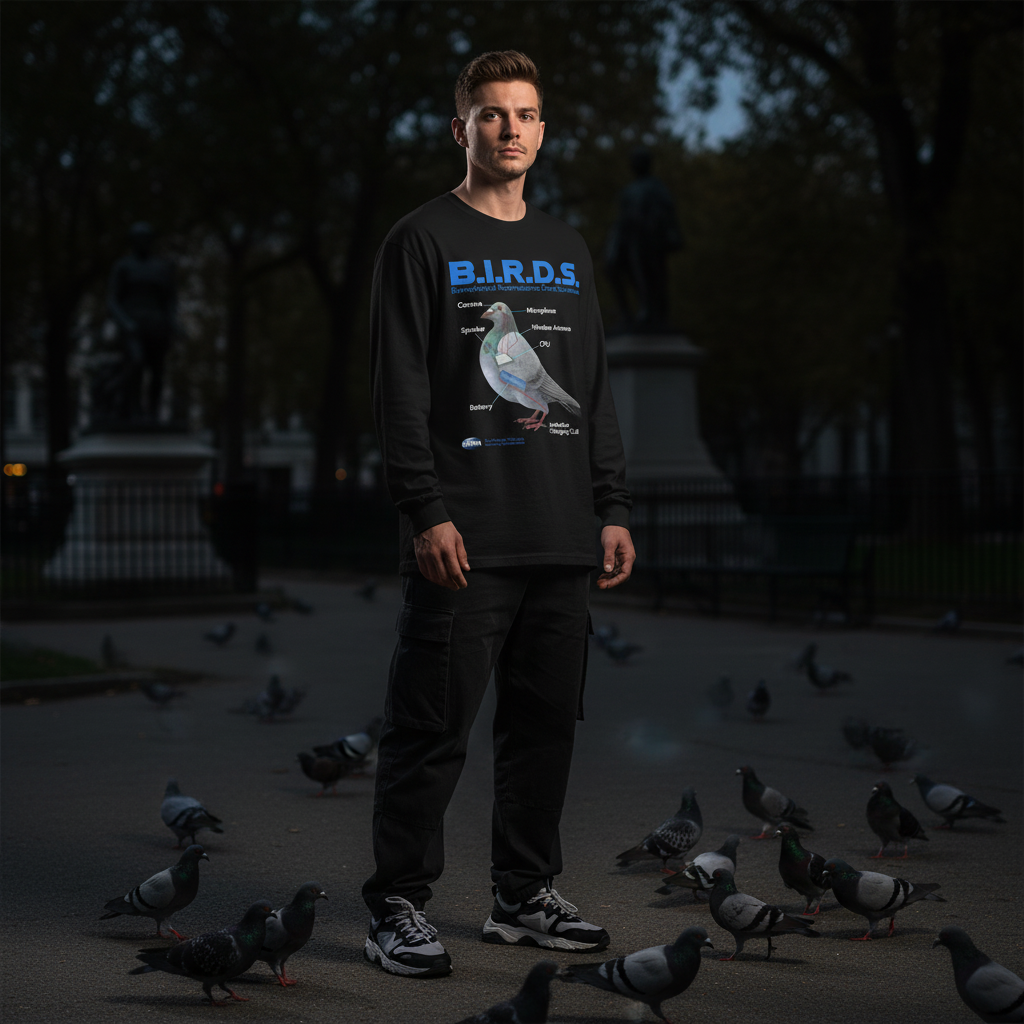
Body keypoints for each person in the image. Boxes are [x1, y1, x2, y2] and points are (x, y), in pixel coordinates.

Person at [364, 50, 634, 979]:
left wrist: (610, 504)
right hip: (464, 540)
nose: (509, 129)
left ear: (542, 130)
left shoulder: (566, 247)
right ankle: (395, 904)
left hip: (562, 535)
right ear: (461, 129)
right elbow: (400, 392)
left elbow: (590, 389)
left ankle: (523, 898)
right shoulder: (420, 239)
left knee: (543, 728)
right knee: (429, 728)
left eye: (524, 114)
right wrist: (423, 508)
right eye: (490, 115)